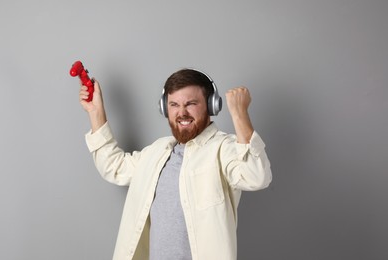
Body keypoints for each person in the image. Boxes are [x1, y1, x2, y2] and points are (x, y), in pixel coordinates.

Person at [79, 68, 272, 260]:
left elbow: (256, 177)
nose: (182, 113)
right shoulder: (157, 152)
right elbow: (114, 167)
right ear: (164, 108)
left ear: (211, 105)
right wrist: (96, 113)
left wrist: (239, 115)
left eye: (191, 103)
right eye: (174, 105)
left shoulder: (223, 149)